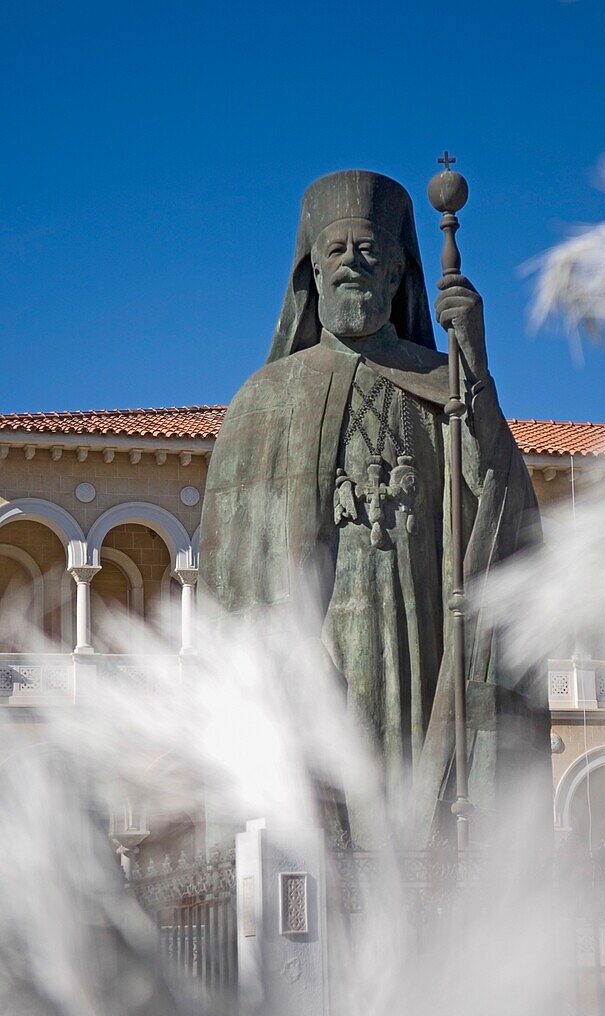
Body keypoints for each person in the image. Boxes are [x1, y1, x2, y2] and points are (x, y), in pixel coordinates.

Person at [199, 170, 550, 847]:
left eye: (371, 255)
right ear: (314, 276)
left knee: (410, 788)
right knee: (325, 797)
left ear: (397, 277)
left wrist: (472, 361)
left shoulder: (442, 383)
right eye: (338, 253)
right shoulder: (265, 397)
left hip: (420, 630)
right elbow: (232, 572)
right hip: (315, 636)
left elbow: (498, 501)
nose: (354, 267)